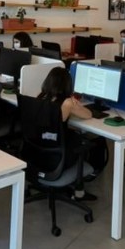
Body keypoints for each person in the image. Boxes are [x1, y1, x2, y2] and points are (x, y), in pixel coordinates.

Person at [37, 67, 109, 200]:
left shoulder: (41, 97)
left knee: (74, 134)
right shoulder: (67, 103)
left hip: (39, 153)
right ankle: (81, 187)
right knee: (94, 141)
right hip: (58, 159)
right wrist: (76, 104)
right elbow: (88, 114)